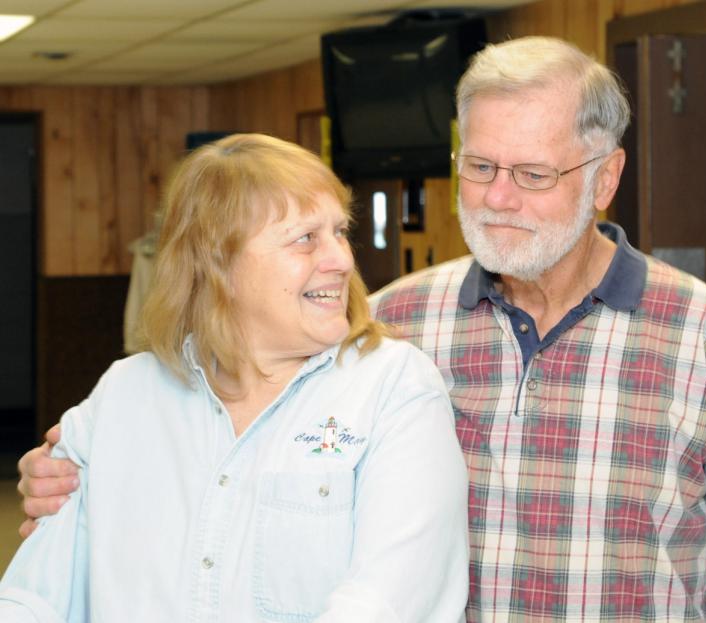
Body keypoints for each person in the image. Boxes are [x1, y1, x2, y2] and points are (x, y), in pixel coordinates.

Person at [16, 36, 706, 622]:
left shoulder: (698, 335)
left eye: (532, 174)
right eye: (479, 166)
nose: (497, 199)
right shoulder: (390, 325)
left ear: (606, 178)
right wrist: (77, 467)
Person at [2, 133, 469, 622]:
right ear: (218, 261)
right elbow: (35, 597)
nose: (343, 260)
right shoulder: (123, 394)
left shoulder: (391, 387)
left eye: (340, 231)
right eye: (306, 238)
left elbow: (389, 601)